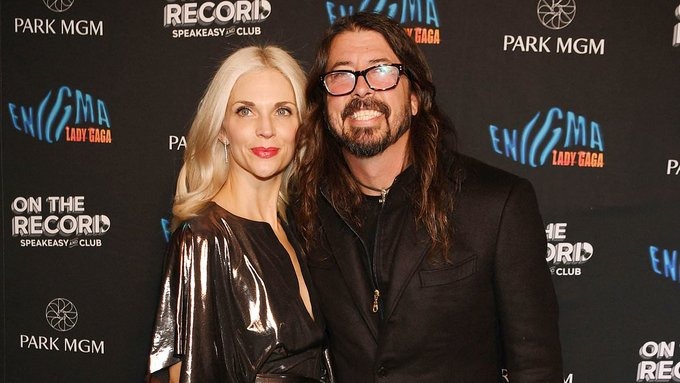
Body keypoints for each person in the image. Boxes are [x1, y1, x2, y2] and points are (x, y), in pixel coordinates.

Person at [291, 12, 563, 383]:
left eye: (382, 71)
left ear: (415, 97)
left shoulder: (496, 204)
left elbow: (535, 366)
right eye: (341, 75)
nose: (361, 90)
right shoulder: (305, 210)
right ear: (324, 106)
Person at [148, 46, 331, 383]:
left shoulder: (296, 233)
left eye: (283, 111)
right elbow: (186, 375)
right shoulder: (203, 239)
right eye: (245, 111)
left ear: (301, 127)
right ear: (221, 128)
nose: (266, 128)